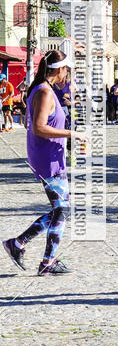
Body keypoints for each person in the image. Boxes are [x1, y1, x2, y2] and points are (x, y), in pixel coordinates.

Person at [3, 50, 72, 275]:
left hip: (51, 156)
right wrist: (72, 135)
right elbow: (40, 127)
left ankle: (19, 245)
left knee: (59, 210)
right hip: (47, 159)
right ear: (60, 69)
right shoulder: (44, 92)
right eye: (67, 70)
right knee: (61, 210)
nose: (68, 75)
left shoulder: (45, 89)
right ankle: (46, 262)